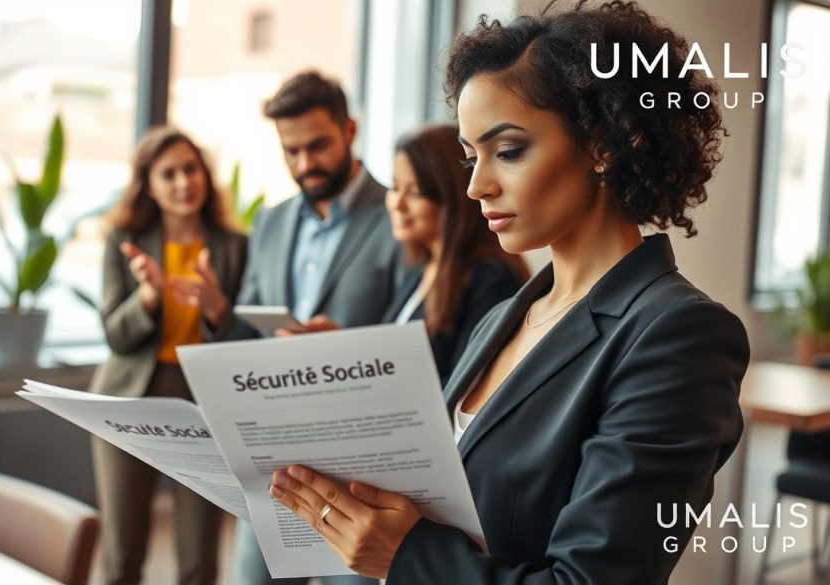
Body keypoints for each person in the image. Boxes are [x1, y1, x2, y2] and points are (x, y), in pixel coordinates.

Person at [264, 2, 751, 584]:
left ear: (602, 147)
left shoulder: (678, 335)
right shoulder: (502, 318)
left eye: (509, 151)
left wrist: (407, 558)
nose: (476, 185)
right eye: (471, 157)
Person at [210, 71, 400, 585]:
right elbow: (247, 338)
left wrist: (342, 350)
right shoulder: (269, 224)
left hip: (364, 472)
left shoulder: (399, 215)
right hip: (276, 463)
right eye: (290, 151)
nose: (304, 164)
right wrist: (216, 314)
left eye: (317, 146)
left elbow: (419, 338)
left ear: (350, 130)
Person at [89, 126, 247, 585]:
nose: (183, 182)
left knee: (199, 557)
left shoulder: (234, 246)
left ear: (205, 174)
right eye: (169, 174)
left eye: (191, 169)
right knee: (122, 555)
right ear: (149, 186)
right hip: (130, 399)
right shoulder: (125, 240)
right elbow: (115, 336)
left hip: (204, 403)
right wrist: (148, 296)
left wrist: (217, 307)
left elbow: (243, 342)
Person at [296, 124, 529, 382]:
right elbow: (395, 365)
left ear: (451, 198)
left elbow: (466, 388)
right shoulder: (422, 269)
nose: (397, 204)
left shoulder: (490, 279)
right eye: (395, 187)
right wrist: (343, 347)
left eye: (415, 192)